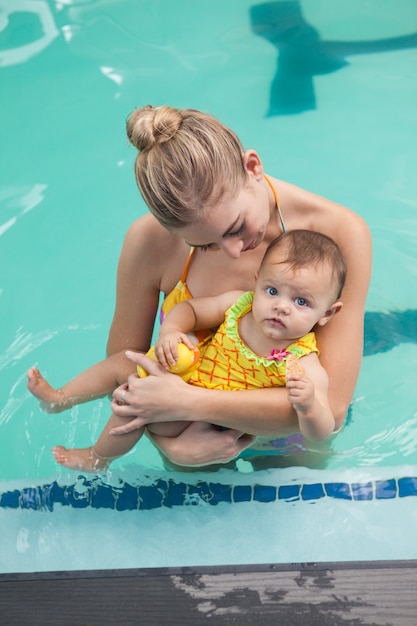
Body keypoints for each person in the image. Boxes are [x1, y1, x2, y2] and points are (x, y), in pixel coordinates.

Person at [27, 230, 346, 472]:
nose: (281, 306)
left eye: (301, 301)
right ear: (257, 281)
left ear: (328, 314)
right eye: (273, 290)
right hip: (190, 375)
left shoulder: (303, 361)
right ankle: (59, 398)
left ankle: (98, 457)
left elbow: (323, 430)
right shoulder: (240, 305)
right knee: (123, 366)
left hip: (212, 423)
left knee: (133, 407)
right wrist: (170, 332)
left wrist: (307, 407)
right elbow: (191, 311)